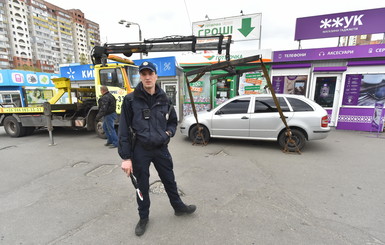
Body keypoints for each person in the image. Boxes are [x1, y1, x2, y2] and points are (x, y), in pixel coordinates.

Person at [118, 61, 196, 236]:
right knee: (142, 186)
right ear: (140, 76)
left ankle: (179, 207)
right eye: (143, 74)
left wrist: (168, 133)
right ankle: (143, 217)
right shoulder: (131, 100)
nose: (147, 77)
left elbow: (172, 120)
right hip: (140, 149)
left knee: (169, 180)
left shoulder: (164, 98)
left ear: (156, 76)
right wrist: (126, 158)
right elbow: (123, 129)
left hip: (161, 148)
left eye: (150, 74)